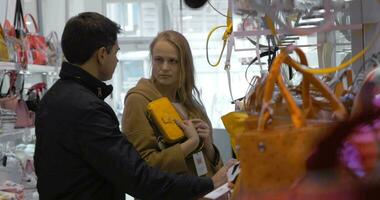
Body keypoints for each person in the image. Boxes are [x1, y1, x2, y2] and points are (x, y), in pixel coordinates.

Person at [34, 12, 231, 200]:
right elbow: (138, 174)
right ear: (102, 54)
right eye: (116, 52)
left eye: (173, 61)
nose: (165, 67)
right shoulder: (94, 107)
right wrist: (206, 181)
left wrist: (207, 149)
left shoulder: (53, 98)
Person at [122, 30, 223, 177]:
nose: (164, 67)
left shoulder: (191, 104)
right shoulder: (138, 100)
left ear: (184, 65)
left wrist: (208, 146)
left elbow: (213, 168)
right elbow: (142, 167)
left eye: (172, 61)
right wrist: (191, 143)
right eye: (158, 60)